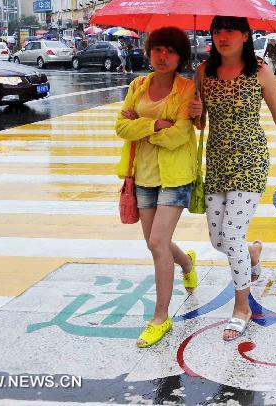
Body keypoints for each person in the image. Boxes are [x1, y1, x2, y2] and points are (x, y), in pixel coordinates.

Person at [187, 15, 276, 342]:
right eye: (217, 30)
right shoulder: (203, 72)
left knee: (230, 237)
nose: (222, 36)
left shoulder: (260, 71)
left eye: (230, 30)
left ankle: (241, 307)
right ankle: (253, 254)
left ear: (245, 35)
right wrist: (195, 113)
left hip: (249, 160)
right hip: (216, 162)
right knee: (219, 242)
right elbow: (200, 125)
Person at [115, 26, 198, 349]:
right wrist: (153, 125)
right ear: (149, 52)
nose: (162, 56)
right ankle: (188, 263)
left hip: (176, 176)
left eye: (170, 51)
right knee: (156, 244)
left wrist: (143, 128)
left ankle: (160, 317)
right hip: (143, 176)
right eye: (157, 49)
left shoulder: (187, 89)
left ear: (180, 57)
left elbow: (179, 135)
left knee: (157, 241)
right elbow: (121, 127)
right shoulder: (137, 85)